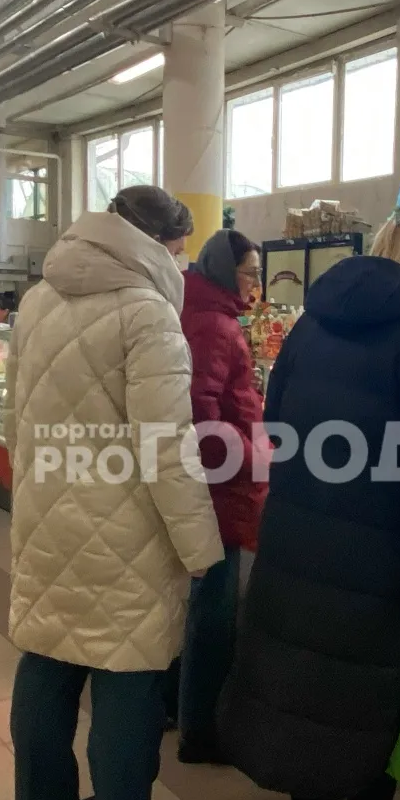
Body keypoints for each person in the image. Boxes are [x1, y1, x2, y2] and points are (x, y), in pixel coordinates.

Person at [218, 209, 400, 800]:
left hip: (299, 528)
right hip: (382, 554)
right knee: (368, 692)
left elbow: (276, 422)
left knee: (301, 676)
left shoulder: (311, 324)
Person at [7, 185, 223, 800]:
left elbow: (17, 420)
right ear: (155, 245)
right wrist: (200, 549)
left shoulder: (37, 300)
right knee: (127, 687)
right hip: (129, 541)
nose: (181, 265)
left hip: (47, 524)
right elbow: (167, 447)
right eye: (178, 252)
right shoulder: (147, 312)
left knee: (45, 668)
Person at [176, 229, 269, 764]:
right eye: (250, 272)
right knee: (212, 615)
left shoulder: (208, 313)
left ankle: (183, 710)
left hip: (215, 484)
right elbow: (202, 414)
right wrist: (255, 454)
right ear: (224, 271)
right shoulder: (215, 324)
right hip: (221, 489)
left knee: (201, 607)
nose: (256, 282)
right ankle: (201, 731)